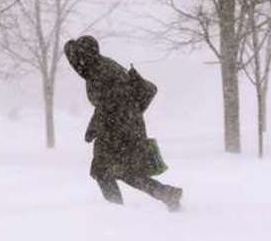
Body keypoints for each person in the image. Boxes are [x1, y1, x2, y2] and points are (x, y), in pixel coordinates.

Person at [64, 35, 183, 212]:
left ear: (86, 56)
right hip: (126, 125)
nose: (75, 64)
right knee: (125, 171)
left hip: (118, 128)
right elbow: (109, 102)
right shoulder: (101, 67)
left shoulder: (100, 71)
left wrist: (94, 126)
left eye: (78, 57)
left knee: (103, 171)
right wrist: (95, 125)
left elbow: (110, 103)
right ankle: (165, 193)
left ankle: (116, 213)